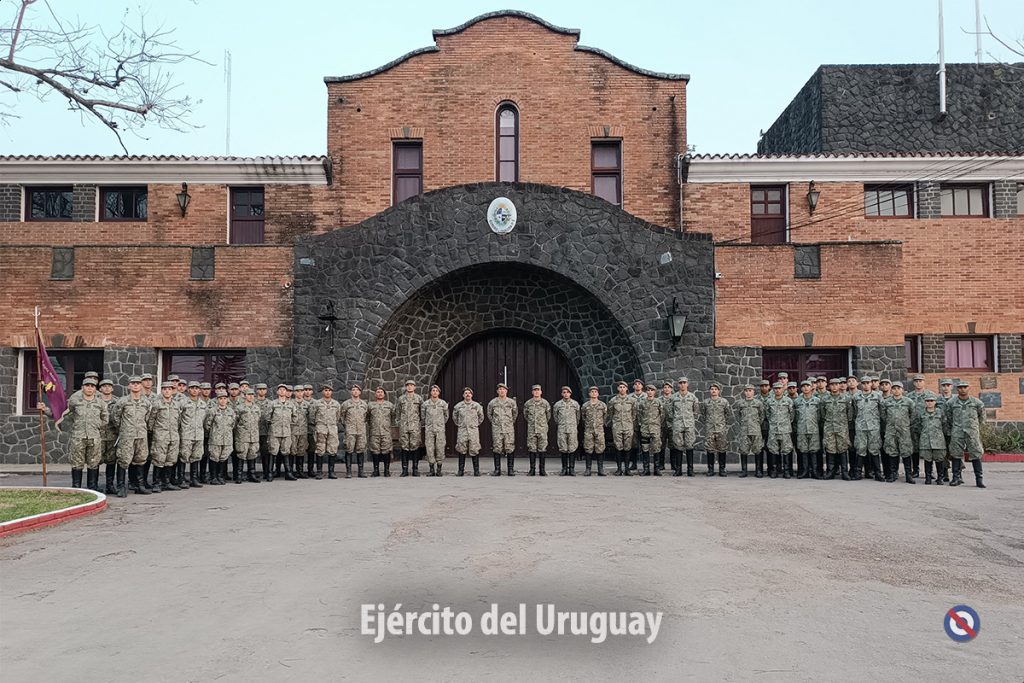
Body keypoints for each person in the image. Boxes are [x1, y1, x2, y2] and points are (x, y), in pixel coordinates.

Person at [44, 377, 108, 491]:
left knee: (93, 463)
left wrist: (96, 426)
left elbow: (105, 419)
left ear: (95, 389)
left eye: (92, 386)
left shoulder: (100, 403)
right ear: (82, 388)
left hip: (94, 437)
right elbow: (62, 414)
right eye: (87, 386)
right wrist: (45, 410)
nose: (89, 388)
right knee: (77, 463)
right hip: (78, 437)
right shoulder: (74, 402)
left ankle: (92, 487)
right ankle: (76, 488)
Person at [112, 376, 152, 497]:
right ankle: (121, 487)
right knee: (123, 460)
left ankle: (139, 485)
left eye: (138, 383)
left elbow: (147, 418)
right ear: (129, 385)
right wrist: (124, 428)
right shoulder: (122, 401)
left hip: (141, 435)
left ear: (141, 386)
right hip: (127, 436)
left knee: (141, 459)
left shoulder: (146, 403)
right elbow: (115, 417)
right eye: (133, 383)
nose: (135, 385)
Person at [946, 381, 986, 488]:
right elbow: (948, 417)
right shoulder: (951, 403)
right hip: (957, 431)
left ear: (969, 388)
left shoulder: (977, 403)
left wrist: (975, 428)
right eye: (960, 387)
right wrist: (954, 428)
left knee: (976, 453)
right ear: (957, 389)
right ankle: (956, 478)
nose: (962, 389)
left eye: (965, 387)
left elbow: (982, 417)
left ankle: (979, 479)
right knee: (956, 454)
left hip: (972, 432)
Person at [147, 381, 182, 493]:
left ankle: (166, 482)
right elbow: (151, 420)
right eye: (165, 389)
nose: (167, 391)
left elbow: (179, 420)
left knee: (170, 459)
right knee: (159, 459)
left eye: (169, 389)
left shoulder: (176, 404)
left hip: (173, 436)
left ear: (172, 391)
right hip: (160, 436)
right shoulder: (157, 404)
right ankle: (156, 483)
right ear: (162, 391)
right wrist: (155, 432)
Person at [819, 378, 853, 480]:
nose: (834, 386)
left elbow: (850, 414)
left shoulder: (846, 398)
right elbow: (822, 414)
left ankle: (844, 472)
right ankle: (830, 471)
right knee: (830, 449)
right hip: (829, 428)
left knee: (843, 449)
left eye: (836, 384)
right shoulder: (825, 399)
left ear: (839, 386)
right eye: (832, 384)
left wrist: (843, 423)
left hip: (842, 428)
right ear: (829, 386)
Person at [883, 382, 915, 484]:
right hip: (891, 431)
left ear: (902, 390)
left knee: (906, 452)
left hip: (904, 431)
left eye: (898, 388)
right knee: (892, 452)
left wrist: (906, 424)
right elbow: (883, 416)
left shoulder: (908, 402)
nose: (896, 390)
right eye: (894, 388)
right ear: (891, 390)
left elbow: (913, 415)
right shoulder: (886, 402)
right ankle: (893, 474)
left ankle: (908, 475)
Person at [853, 377, 884, 482]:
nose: (866, 385)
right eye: (864, 383)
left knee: (874, 450)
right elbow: (855, 411)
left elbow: (882, 411)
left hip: (873, 427)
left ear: (871, 384)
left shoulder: (877, 396)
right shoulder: (856, 397)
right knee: (860, 449)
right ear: (861, 384)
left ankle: (878, 473)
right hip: (861, 427)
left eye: (868, 383)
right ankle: (858, 473)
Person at [669, 377, 701, 477]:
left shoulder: (692, 397)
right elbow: (670, 411)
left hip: (689, 425)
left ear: (687, 384)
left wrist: (690, 419)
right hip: (678, 425)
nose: (682, 384)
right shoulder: (673, 397)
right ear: (678, 385)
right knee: (678, 446)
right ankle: (678, 470)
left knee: (689, 446)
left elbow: (696, 411)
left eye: (684, 382)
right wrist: (676, 420)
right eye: (681, 383)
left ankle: (690, 470)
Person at [204, 389, 237, 485]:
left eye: (224, 398)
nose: (223, 400)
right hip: (215, 439)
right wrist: (214, 433)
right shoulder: (212, 411)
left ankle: (220, 476)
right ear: (217, 400)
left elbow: (233, 424)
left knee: (224, 457)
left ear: (227, 400)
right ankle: (213, 477)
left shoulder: (231, 411)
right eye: (220, 398)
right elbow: (207, 425)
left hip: (227, 439)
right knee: (214, 457)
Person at [267, 383, 297, 481]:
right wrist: (275, 424)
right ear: (277, 392)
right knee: (273, 452)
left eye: (284, 389)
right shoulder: (273, 403)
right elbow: (267, 417)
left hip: (286, 432)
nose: (282, 391)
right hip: (275, 432)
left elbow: (295, 417)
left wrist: (288, 424)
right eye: (280, 389)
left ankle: (288, 473)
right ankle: (270, 473)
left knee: (286, 452)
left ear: (286, 392)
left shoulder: (291, 404)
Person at [487, 383, 519, 476]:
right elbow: (489, 414)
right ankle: (497, 470)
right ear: (497, 391)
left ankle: (510, 470)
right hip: (497, 429)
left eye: (503, 389)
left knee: (510, 448)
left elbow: (515, 414)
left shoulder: (511, 402)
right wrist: (495, 423)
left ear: (506, 391)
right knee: (497, 448)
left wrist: (509, 422)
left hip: (508, 429)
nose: (502, 391)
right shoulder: (493, 402)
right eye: (500, 389)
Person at [733, 384, 764, 478]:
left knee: (757, 449)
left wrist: (755, 424)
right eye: (746, 390)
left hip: (755, 429)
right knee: (743, 450)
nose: (748, 392)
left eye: (750, 390)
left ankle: (758, 470)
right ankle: (744, 471)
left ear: (753, 392)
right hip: (744, 430)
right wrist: (743, 424)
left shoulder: (758, 403)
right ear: (744, 392)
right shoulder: (740, 403)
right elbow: (738, 416)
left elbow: (762, 416)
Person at [765, 381, 794, 479]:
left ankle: (786, 471)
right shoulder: (769, 401)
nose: (777, 390)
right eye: (776, 388)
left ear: (783, 389)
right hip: (773, 430)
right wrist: (774, 423)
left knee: (786, 449)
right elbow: (767, 414)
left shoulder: (788, 401)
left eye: (779, 388)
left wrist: (785, 423)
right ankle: (774, 471)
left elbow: (792, 415)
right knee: (773, 449)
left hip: (785, 429)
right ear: (773, 390)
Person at [395, 380, 424, 477]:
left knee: (415, 446)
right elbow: (398, 412)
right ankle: (405, 469)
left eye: (411, 385)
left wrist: (418, 424)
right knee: (404, 447)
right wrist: (400, 423)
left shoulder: (419, 399)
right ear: (406, 387)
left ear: (414, 387)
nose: (409, 387)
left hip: (415, 427)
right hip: (404, 426)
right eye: (408, 385)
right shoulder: (401, 399)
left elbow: (422, 413)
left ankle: (415, 469)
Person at [313, 383, 342, 479]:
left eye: (329, 390)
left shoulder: (336, 404)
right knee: (320, 449)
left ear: (332, 392)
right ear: (322, 392)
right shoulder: (317, 403)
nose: (327, 392)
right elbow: (312, 416)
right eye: (326, 390)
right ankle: (319, 472)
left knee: (332, 449)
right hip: (321, 428)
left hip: (332, 428)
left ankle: (331, 472)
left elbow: (338, 416)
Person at [702, 382, 732, 477]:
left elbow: (728, 414)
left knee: (722, 449)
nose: (713, 391)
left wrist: (722, 423)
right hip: (710, 429)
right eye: (712, 389)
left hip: (720, 429)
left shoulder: (724, 402)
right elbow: (703, 414)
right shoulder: (706, 402)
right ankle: (710, 469)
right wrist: (708, 423)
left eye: (715, 389)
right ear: (709, 391)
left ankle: (722, 469)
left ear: (719, 391)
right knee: (710, 449)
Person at [792, 380, 821, 480]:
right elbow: (794, 417)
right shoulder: (797, 402)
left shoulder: (817, 401)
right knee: (803, 450)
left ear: (811, 387)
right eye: (803, 386)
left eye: (807, 386)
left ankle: (814, 471)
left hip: (814, 429)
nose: (805, 388)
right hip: (802, 429)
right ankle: (804, 471)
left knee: (814, 450)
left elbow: (820, 416)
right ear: (801, 388)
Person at [340, 384, 370, 478]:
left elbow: (366, 417)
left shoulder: (364, 404)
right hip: (350, 431)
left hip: (361, 431)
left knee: (360, 450)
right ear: (351, 392)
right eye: (353, 390)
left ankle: (361, 471)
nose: (355, 391)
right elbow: (342, 417)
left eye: (357, 390)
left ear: (360, 392)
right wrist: (348, 425)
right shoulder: (346, 404)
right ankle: (348, 472)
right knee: (349, 450)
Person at [453, 387, 485, 476]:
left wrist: (474, 425)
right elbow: (455, 417)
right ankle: (460, 471)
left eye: (469, 393)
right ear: (463, 395)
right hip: (462, 430)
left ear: (472, 395)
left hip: (473, 431)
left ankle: (476, 471)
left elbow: (481, 417)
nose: (467, 394)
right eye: (466, 393)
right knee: (461, 449)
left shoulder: (476, 406)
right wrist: (461, 424)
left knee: (474, 449)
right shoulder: (458, 406)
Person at [918, 396, 948, 485]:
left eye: (931, 401)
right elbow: (918, 426)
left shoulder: (940, 412)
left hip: (938, 440)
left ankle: (940, 478)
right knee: (927, 459)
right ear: (925, 402)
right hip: (925, 440)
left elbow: (945, 425)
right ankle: (928, 477)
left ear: (935, 402)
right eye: (927, 401)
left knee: (939, 459)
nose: (929, 402)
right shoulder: (921, 413)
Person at [608, 381, 636, 476]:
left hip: (628, 426)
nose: (622, 389)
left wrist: (629, 422)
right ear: (618, 389)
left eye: (624, 387)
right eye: (620, 387)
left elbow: (634, 414)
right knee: (618, 447)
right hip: (617, 426)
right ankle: (619, 469)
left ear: (627, 388)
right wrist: (615, 422)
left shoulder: (632, 400)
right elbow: (610, 414)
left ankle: (627, 469)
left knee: (628, 447)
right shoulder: (613, 401)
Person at [523, 384, 552, 476]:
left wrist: (542, 424)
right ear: (532, 392)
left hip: (542, 429)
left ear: (541, 392)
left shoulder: (545, 403)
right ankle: (532, 469)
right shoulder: (528, 403)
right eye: (535, 390)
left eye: (538, 390)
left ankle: (542, 469)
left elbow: (548, 416)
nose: (536, 392)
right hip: (532, 429)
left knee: (542, 449)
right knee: (532, 449)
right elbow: (526, 415)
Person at [421, 385, 449, 476]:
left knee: (440, 448)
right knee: (430, 449)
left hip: (440, 430)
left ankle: (439, 469)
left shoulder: (443, 403)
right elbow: (423, 416)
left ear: (439, 393)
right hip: (429, 430)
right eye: (433, 390)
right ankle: (431, 469)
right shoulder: (425, 404)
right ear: (430, 392)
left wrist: (440, 424)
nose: (435, 392)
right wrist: (428, 424)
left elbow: (446, 416)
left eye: (436, 391)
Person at [366, 387, 395, 477]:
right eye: (378, 392)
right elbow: (368, 418)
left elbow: (393, 417)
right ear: (375, 394)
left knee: (387, 451)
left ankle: (386, 470)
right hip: (374, 432)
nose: (380, 393)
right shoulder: (370, 405)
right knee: (375, 451)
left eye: (381, 392)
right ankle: (376, 470)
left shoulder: (389, 405)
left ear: (384, 394)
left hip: (386, 432)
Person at [234, 388, 262, 483]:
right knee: (241, 454)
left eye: (252, 395)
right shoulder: (239, 408)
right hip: (243, 436)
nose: (250, 396)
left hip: (253, 435)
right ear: (245, 396)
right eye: (249, 394)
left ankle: (252, 475)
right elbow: (235, 421)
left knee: (252, 454)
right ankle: (239, 475)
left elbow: (258, 420)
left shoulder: (256, 408)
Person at [552, 386, 580, 477]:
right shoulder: (557, 405)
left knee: (572, 448)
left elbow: (578, 417)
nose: (566, 394)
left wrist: (573, 424)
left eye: (567, 392)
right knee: (563, 448)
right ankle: (564, 468)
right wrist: (561, 424)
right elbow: (555, 417)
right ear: (562, 394)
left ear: (570, 394)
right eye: (564, 392)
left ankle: (571, 468)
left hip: (572, 429)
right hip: (562, 429)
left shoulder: (575, 404)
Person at [638, 384, 664, 476]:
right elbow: (639, 415)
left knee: (656, 448)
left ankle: (656, 469)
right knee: (645, 448)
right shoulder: (642, 402)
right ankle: (646, 469)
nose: (650, 392)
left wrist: (657, 424)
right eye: (648, 390)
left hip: (655, 429)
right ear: (646, 391)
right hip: (645, 428)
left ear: (654, 392)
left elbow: (662, 415)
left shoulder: (658, 402)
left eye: (652, 390)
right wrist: (642, 424)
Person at [97, 378, 118, 494]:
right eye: (104, 386)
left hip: (112, 436)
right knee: (95, 461)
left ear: (112, 388)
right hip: (98, 436)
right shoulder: (95, 401)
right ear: (100, 389)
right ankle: (94, 485)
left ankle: (110, 485)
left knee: (111, 461)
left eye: (109, 386)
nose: (107, 388)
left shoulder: (117, 402)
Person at [580, 386, 607, 476]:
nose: (594, 393)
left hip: (599, 430)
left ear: (598, 394)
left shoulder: (602, 405)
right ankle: (588, 469)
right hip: (589, 430)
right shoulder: (585, 406)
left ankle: (600, 469)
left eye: (595, 391)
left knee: (600, 448)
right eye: (592, 392)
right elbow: (583, 417)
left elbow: (605, 416)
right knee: (588, 449)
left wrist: (600, 424)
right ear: (589, 394)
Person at [290, 383, 310, 479]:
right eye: (297, 391)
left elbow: (310, 417)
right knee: (292, 450)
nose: (299, 393)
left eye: (301, 391)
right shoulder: (290, 403)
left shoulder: (307, 404)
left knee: (301, 451)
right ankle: (290, 471)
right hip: (292, 431)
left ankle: (300, 471)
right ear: (294, 393)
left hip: (303, 431)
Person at [628, 379, 646, 471]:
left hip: (644, 424)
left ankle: (645, 465)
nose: (638, 385)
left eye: (639, 384)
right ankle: (634, 463)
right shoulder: (629, 397)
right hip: (633, 424)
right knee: (633, 445)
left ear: (642, 386)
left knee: (645, 445)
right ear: (633, 386)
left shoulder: (646, 396)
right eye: (636, 384)